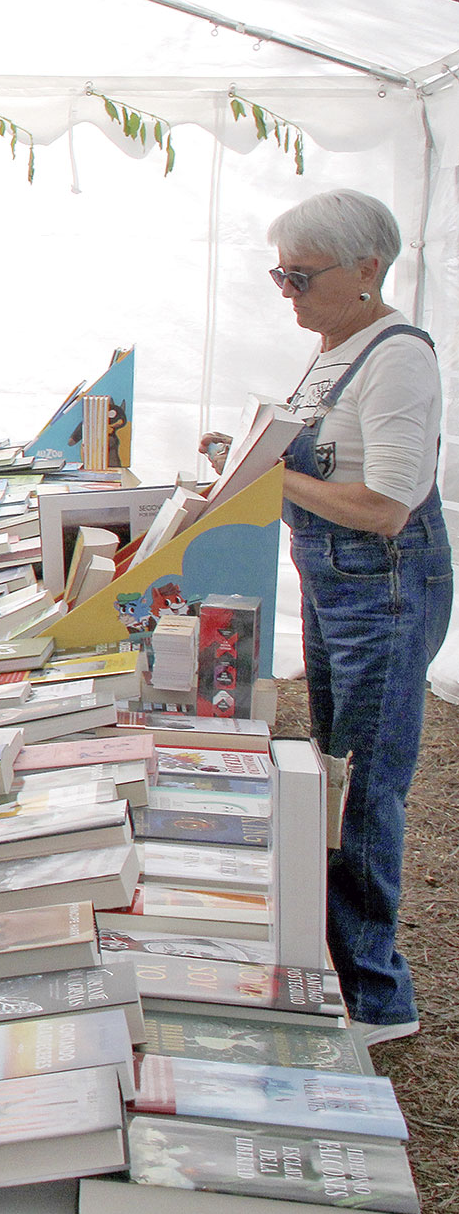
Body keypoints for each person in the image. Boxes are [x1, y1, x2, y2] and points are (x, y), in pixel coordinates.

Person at [199, 188, 448, 1049]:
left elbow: (384, 503)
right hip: (338, 587)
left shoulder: (397, 358)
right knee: (334, 772)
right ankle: (340, 965)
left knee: (369, 788)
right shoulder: (335, 347)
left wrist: (273, 481)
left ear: (368, 270)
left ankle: (380, 997)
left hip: (382, 590)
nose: (287, 293)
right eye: (278, 274)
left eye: (300, 275)